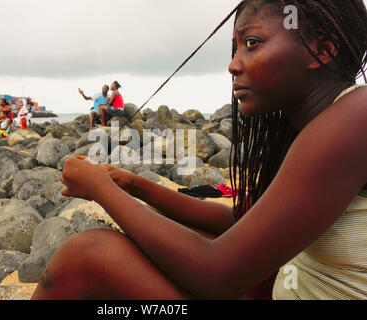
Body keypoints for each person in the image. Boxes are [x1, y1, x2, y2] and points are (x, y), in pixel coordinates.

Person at [32, 0, 367, 300]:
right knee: (168, 234)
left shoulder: (356, 117)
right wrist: (134, 186)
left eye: (252, 43)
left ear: (322, 50)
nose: (233, 65)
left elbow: (218, 275)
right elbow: (241, 220)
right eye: (235, 48)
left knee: (87, 255)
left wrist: (100, 189)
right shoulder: (325, 121)